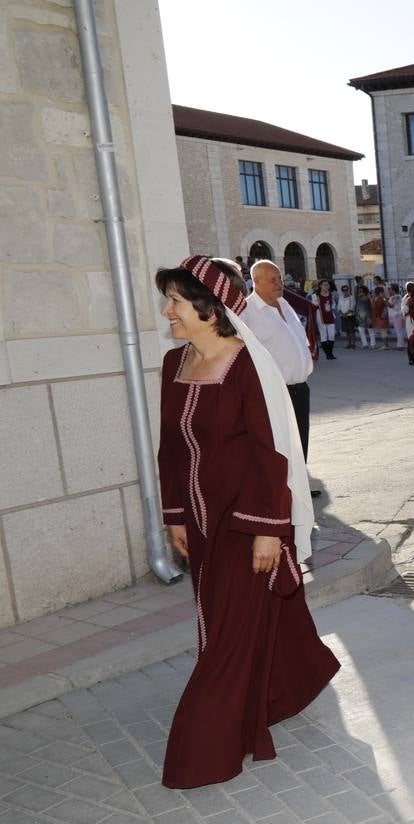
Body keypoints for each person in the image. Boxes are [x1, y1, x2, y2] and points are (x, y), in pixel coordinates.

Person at [155, 257, 338, 788]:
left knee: (228, 635)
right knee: (221, 618)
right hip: (197, 521)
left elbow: (270, 453)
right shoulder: (173, 364)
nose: (167, 311)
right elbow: (171, 449)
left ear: (208, 311)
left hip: (244, 521)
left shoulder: (245, 366)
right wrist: (174, 516)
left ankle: (204, 746)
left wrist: (267, 529)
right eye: (168, 300)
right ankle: (292, 682)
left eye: (176, 302)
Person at [244, 261, 315, 461]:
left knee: (300, 442)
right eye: (273, 279)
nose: (279, 283)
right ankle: (282, 491)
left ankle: (299, 490)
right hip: (274, 391)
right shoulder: (247, 312)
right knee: (279, 447)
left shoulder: (285, 304)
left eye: (280, 278)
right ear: (256, 282)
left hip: (300, 388)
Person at [311, 279, 338, 360]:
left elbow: (333, 305)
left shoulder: (331, 295)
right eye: (324, 285)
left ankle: (330, 353)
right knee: (324, 335)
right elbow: (314, 305)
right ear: (320, 286)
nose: (326, 286)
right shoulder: (315, 295)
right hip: (320, 315)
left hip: (330, 315)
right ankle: (328, 354)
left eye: (327, 285)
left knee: (331, 335)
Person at [337, 283, 357, 349]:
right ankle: (349, 343)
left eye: (346, 290)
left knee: (351, 331)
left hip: (350, 316)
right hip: (343, 316)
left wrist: (346, 313)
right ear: (342, 291)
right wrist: (342, 314)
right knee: (347, 331)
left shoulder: (351, 297)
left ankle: (353, 344)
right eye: (343, 290)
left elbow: (352, 307)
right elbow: (339, 307)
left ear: (348, 290)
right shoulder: (340, 298)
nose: (345, 291)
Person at [354, 283, 373, 349]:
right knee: (361, 330)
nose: (359, 293)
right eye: (358, 291)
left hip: (368, 317)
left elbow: (372, 308)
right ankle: (365, 344)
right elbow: (357, 308)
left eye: (361, 291)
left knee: (370, 330)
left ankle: (372, 344)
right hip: (360, 317)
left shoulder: (369, 298)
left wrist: (371, 318)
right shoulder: (358, 299)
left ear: (365, 292)